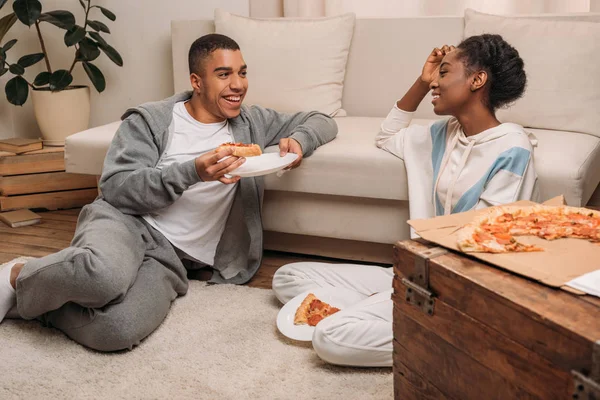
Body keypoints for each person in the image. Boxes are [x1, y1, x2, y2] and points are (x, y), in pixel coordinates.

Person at [0, 33, 337, 351]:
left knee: (117, 329)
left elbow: (322, 119)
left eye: (242, 72)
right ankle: (16, 274)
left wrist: (300, 141)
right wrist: (192, 172)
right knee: (103, 279)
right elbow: (115, 187)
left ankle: (34, 301)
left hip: (171, 259)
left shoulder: (251, 123)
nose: (238, 84)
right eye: (223, 74)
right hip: (127, 223)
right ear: (196, 81)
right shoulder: (151, 120)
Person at [272, 34, 538, 367]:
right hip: (417, 274)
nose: (435, 83)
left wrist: (401, 289)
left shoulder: (512, 148)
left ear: (477, 79)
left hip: (459, 292)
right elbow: (387, 135)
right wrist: (421, 81)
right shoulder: (443, 134)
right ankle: (382, 307)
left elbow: (482, 247)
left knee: (329, 338)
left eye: (443, 72)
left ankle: (451, 340)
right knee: (286, 278)